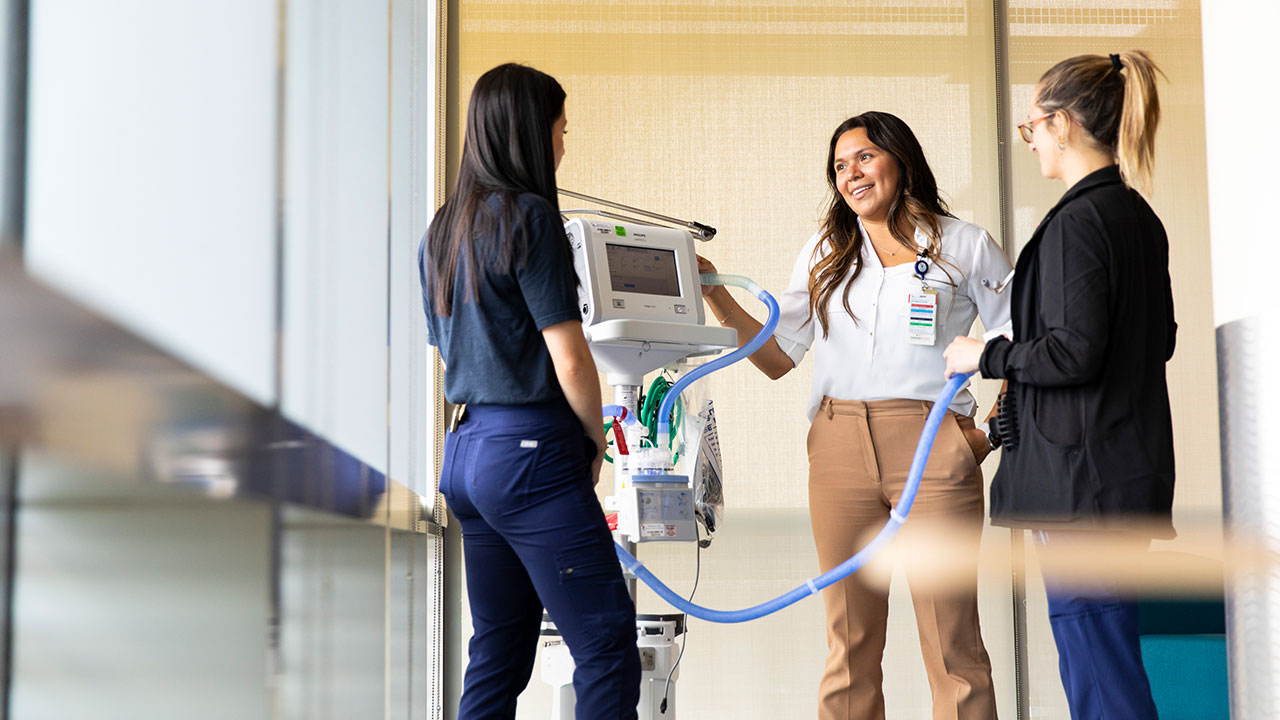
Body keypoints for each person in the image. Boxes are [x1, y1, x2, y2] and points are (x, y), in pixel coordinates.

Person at [700, 111, 1008, 720]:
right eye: (840, 166)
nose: (851, 174)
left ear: (901, 159)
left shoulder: (964, 244)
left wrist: (982, 436)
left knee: (953, 643)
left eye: (864, 157)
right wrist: (714, 292)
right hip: (839, 446)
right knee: (849, 641)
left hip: (933, 443)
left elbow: (1026, 342)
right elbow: (775, 356)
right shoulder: (825, 251)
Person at [943, 50, 1173, 720]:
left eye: (1034, 128)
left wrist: (985, 357)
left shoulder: (1077, 223)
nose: (1033, 141)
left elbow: (1074, 353)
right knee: (1104, 660)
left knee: (1099, 674)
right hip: (1121, 477)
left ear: (1064, 124)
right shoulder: (1137, 218)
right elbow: (1159, 341)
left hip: (1083, 488)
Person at [419, 63, 640, 720]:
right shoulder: (531, 218)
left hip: (468, 455)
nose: (563, 145)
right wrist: (595, 443)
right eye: (560, 130)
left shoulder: (442, 229)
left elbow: (446, 348)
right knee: (604, 645)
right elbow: (570, 357)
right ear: (529, 133)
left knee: (499, 648)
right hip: (531, 453)